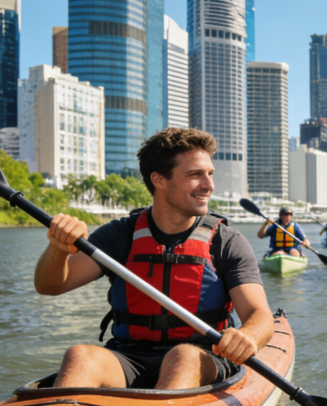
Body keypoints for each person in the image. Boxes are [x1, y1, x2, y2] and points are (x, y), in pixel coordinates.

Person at [34, 128, 274, 390]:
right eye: (195, 175)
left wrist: (248, 336)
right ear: (159, 180)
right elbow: (51, 285)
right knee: (80, 356)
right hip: (129, 356)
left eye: (210, 174)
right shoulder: (120, 235)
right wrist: (58, 249)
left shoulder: (227, 241)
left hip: (204, 356)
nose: (209, 185)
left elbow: (259, 315)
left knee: (182, 357)